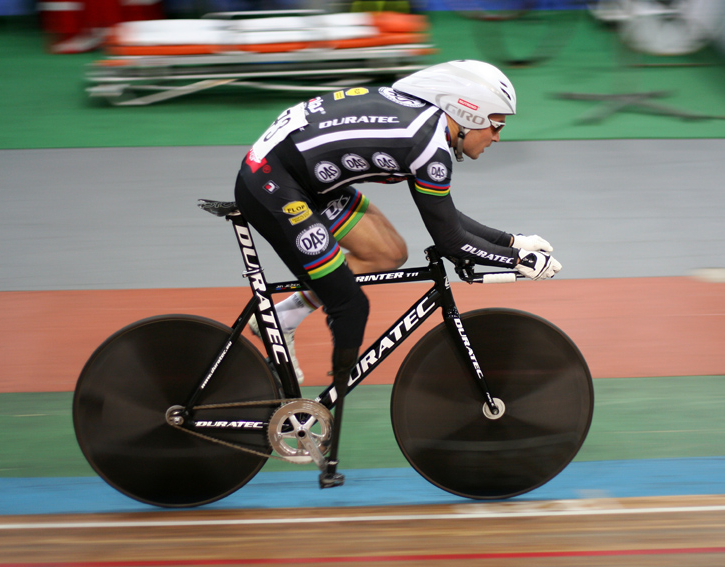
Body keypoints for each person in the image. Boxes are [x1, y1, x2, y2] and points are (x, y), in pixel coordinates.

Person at [234, 59, 561, 485]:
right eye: (495, 125)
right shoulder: (428, 143)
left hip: (304, 177)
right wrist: (515, 262)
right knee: (350, 304)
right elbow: (449, 241)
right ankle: (319, 421)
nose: (499, 136)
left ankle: (283, 317)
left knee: (388, 252)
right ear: (468, 115)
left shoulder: (427, 127)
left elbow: (449, 221)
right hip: (274, 183)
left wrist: (512, 242)